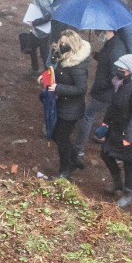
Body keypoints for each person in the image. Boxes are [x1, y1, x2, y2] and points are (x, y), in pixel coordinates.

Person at [100, 53, 132, 208]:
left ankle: (127, 194)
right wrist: (105, 123)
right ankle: (117, 183)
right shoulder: (122, 83)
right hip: (116, 127)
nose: (118, 70)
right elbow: (113, 105)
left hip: (130, 131)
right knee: (105, 153)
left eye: (122, 68)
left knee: (129, 163)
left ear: (130, 70)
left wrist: (129, 136)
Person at [74, 29, 123, 167]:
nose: (98, 34)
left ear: (107, 30)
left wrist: (102, 85)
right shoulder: (111, 44)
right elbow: (106, 60)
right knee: (109, 119)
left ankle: (78, 150)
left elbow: (115, 73)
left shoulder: (115, 48)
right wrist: (96, 55)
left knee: (88, 117)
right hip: (106, 92)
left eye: (99, 31)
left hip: (105, 93)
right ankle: (115, 153)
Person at [48, 30, 90, 178]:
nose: (62, 45)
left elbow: (81, 89)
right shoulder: (64, 58)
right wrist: (46, 78)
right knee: (56, 135)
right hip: (63, 105)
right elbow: (56, 74)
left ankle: (65, 170)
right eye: (61, 42)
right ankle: (74, 159)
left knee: (61, 138)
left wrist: (58, 88)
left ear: (72, 44)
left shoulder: (77, 65)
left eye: (65, 43)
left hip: (72, 109)